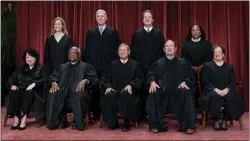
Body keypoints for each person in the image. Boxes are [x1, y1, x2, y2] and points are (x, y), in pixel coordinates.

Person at [146, 39, 196, 134]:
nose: (169, 48)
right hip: (162, 91)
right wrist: (152, 82)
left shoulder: (183, 62)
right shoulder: (158, 63)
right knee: (153, 92)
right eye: (167, 46)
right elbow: (151, 74)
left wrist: (185, 82)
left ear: (176, 48)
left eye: (171, 46)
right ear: (164, 49)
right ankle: (155, 125)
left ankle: (188, 126)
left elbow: (190, 77)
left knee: (186, 92)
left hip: (178, 91)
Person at [46, 46, 98, 131]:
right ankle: (60, 120)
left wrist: (85, 80)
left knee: (80, 95)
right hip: (63, 91)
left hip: (78, 92)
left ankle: (77, 121)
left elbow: (94, 78)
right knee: (53, 93)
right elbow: (53, 76)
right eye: (70, 53)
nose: (72, 54)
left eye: (74, 53)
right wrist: (54, 82)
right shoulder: (62, 67)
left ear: (79, 54)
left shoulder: (86, 66)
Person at [83, 9, 121, 120]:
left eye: (102, 16)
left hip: (108, 67)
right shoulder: (90, 33)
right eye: (98, 16)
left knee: (107, 89)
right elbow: (87, 50)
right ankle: (96, 113)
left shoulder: (113, 32)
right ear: (96, 18)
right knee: (95, 91)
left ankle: (108, 114)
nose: (100, 18)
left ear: (106, 18)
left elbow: (117, 50)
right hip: (93, 67)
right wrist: (88, 67)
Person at [198, 45, 244, 131]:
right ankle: (217, 120)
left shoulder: (229, 66)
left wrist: (227, 89)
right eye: (215, 52)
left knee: (231, 97)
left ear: (223, 54)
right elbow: (205, 81)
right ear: (213, 54)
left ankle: (224, 120)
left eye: (219, 52)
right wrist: (216, 90)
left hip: (226, 90)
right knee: (215, 96)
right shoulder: (207, 66)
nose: (217, 54)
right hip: (211, 90)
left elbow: (233, 81)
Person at [130, 10, 165, 121]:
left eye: (149, 17)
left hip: (155, 68)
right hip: (140, 67)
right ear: (143, 19)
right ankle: (140, 115)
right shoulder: (137, 34)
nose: (147, 19)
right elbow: (133, 53)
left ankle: (153, 115)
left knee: (153, 91)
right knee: (140, 92)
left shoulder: (158, 34)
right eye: (145, 17)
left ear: (153, 19)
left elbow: (162, 52)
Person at [100, 43, 144, 132]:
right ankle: (113, 122)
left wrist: (131, 85)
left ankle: (126, 122)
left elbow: (140, 78)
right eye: (120, 50)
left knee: (124, 94)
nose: (122, 52)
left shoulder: (135, 64)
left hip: (129, 92)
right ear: (118, 52)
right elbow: (104, 79)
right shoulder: (112, 64)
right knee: (109, 95)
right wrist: (108, 87)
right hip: (115, 90)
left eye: (124, 50)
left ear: (129, 52)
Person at [6, 48, 47, 130]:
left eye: (31, 57)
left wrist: (34, 84)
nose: (29, 59)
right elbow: (11, 79)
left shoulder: (41, 67)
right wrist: (12, 85)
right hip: (20, 88)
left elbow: (45, 78)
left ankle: (24, 119)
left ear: (36, 58)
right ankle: (17, 118)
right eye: (27, 57)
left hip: (34, 91)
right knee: (13, 92)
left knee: (28, 93)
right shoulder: (20, 67)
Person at [181, 24, 213, 106]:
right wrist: (192, 67)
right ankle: (191, 107)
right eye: (193, 30)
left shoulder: (206, 43)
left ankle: (205, 107)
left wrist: (201, 67)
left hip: (204, 69)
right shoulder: (185, 44)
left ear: (200, 32)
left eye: (197, 30)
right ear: (190, 32)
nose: (195, 32)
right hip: (189, 70)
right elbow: (184, 59)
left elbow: (209, 58)